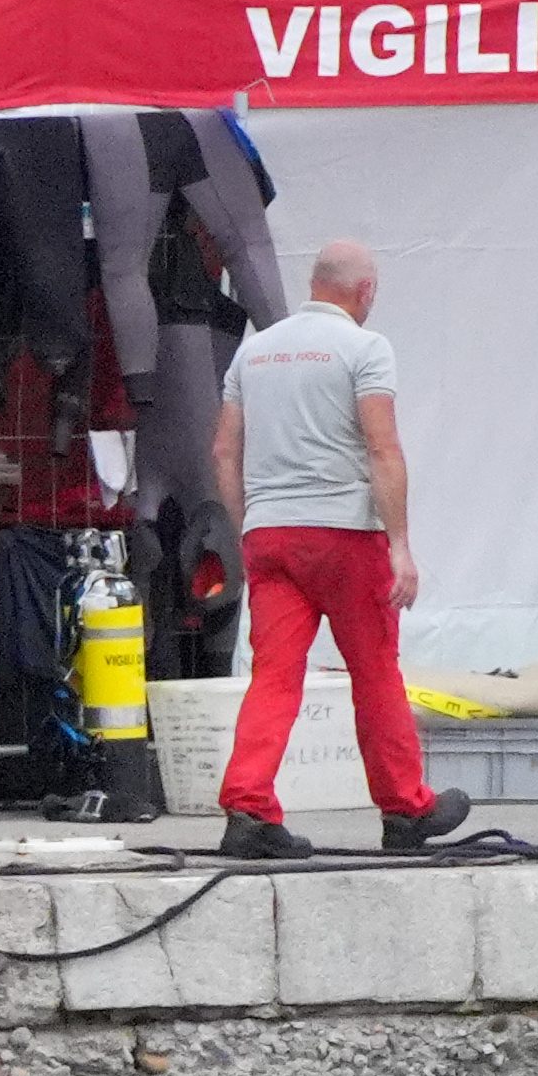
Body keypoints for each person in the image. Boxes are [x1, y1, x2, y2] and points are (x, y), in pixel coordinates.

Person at [209, 238, 468, 862]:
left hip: (270, 535)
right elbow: (382, 448)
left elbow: (223, 451)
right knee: (375, 671)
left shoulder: (256, 351)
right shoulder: (364, 348)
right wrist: (401, 546)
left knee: (274, 676)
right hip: (345, 535)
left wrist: (251, 526)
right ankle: (405, 810)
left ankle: (248, 809)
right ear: (366, 292)